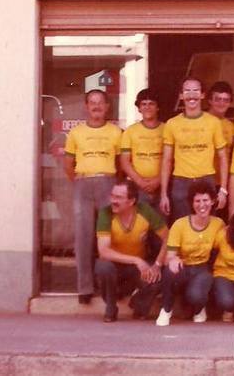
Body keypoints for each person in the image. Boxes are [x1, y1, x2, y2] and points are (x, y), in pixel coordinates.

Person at [63, 89, 122, 305]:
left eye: (100, 103)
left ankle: (109, 286)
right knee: (83, 236)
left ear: (107, 106)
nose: (96, 107)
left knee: (109, 235)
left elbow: (120, 164)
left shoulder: (116, 132)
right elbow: (68, 163)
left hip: (108, 182)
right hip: (83, 184)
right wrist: (79, 181)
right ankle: (85, 288)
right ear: (86, 106)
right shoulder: (76, 133)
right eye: (92, 103)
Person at [94, 180, 168, 322]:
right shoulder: (105, 213)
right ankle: (111, 306)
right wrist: (136, 260)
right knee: (103, 266)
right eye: (112, 196)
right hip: (115, 266)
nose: (113, 201)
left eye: (119, 197)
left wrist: (157, 264)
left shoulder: (145, 211)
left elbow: (168, 237)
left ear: (131, 201)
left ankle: (138, 304)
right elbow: (103, 251)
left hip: (136, 270)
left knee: (158, 278)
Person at [155, 181, 225, 326]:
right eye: (197, 201)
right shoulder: (180, 224)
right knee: (170, 271)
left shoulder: (218, 224)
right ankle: (166, 309)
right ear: (192, 203)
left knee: (196, 295)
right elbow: (170, 255)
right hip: (183, 266)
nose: (202, 205)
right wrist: (173, 260)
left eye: (205, 200)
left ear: (212, 201)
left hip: (202, 268)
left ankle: (199, 308)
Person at [160, 77, 228, 223]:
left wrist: (223, 189)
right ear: (181, 95)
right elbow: (166, 160)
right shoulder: (172, 124)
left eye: (196, 90)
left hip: (206, 179)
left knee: (208, 226)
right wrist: (163, 193)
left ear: (202, 95)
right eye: (187, 91)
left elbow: (223, 157)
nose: (192, 95)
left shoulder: (213, 122)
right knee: (182, 225)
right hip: (181, 182)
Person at [120, 89, 164, 209]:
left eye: (151, 104)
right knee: (139, 225)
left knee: (161, 224)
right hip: (136, 186)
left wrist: (158, 180)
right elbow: (125, 162)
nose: (147, 107)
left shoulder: (167, 129)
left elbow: (172, 160)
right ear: (139, 108)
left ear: (158, 107)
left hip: (162, 185)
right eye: (143, 104)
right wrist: (141, 182)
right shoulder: (130, 131)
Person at [207, 80, 234, 220]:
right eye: (217, 99)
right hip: (205, 180)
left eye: (226, 100)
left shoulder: (231, 126)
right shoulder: (203, 122)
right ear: (210, 101)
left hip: (223, 183)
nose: (221, 103)